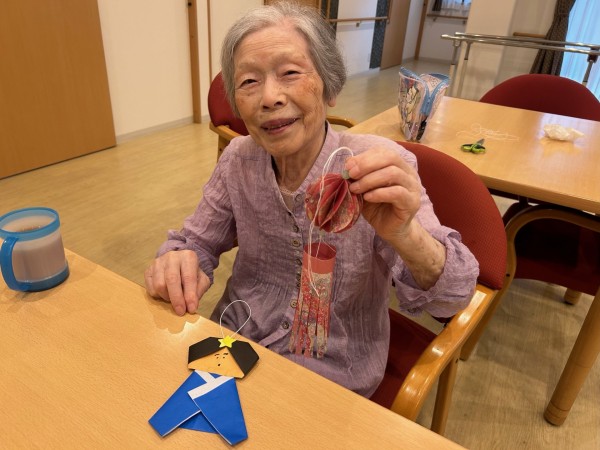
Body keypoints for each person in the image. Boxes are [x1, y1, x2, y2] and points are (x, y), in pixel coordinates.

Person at [145, 2, 479, 398]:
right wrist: (179, 262)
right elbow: (196, 242)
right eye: (249, 81)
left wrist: (406, 234)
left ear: (329, 85)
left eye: (290, 73)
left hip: (331, 371)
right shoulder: (238, 159)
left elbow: (453, 298)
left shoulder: (377, 166)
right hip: (236, 339)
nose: (269, 97)